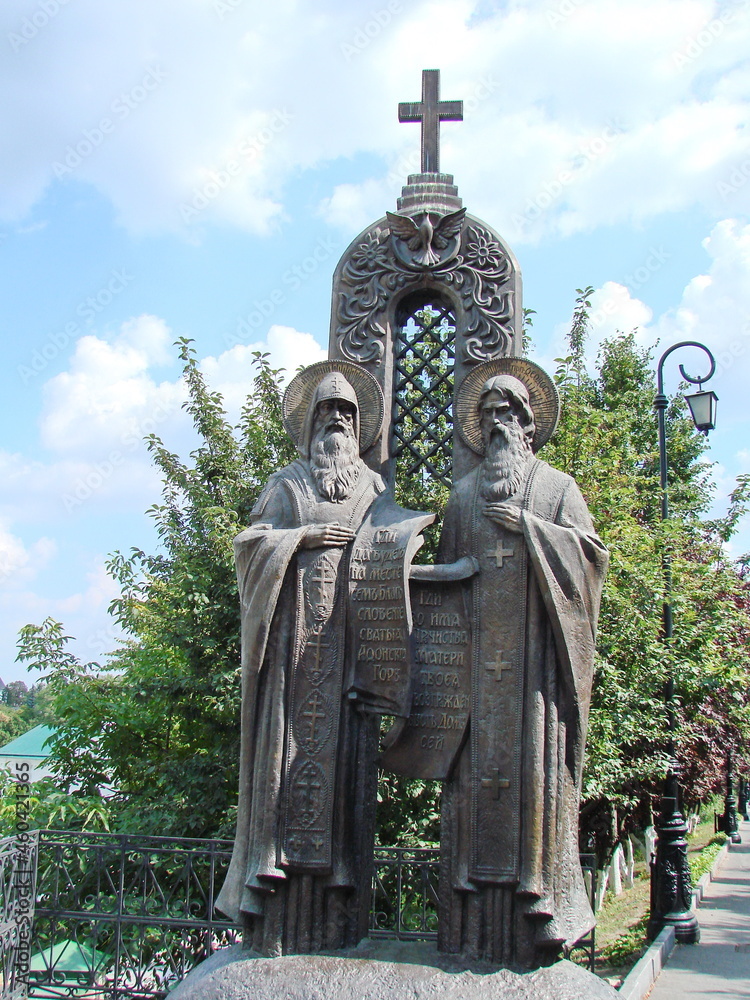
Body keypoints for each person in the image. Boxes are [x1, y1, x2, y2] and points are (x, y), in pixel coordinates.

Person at [216, 362, 428, 957]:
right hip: (293, 657)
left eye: (347, 412)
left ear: (359, 424)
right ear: (311, 422)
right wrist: (299, 540)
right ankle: (279, 907)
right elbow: (249, 546)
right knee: (286, 764)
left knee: (347, 776)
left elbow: (390, 552)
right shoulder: (287, 485)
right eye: (327, 410)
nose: (337, 419)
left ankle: (338, 904)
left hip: (351, 656)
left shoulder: (374, 489)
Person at [438, 360, 608, 968]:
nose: (498, 424)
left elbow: (591, 563)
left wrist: (534, 530)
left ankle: (537, 916)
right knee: (471, 797)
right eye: (488, 415)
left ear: (530, 424)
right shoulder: (463, 497)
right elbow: (445, 585)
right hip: (474, 679)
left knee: (533, 789)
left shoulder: (559, 490)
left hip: (534, 679)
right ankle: (468, 931)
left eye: (509, 413)